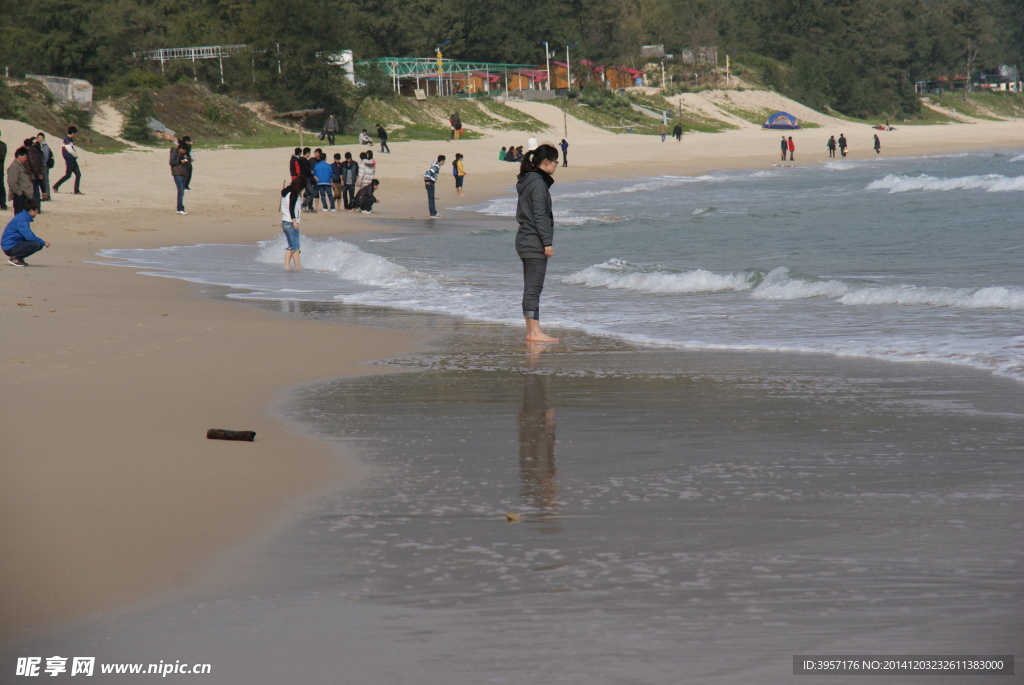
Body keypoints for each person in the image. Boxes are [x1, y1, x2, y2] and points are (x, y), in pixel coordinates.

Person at [515, 143, 560, 342]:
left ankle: (532, 331)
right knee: (534, 288)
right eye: (555, 161)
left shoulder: (528, 181)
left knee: (531, 287)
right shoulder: (538, 184)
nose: (557, 165)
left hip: (525, 239)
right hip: (534, 241)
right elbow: (540, 215)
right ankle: (534, 332)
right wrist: (547, 242)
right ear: (546, 162)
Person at [2, 198, 48, 266]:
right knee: (36, 244)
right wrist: (44, 242)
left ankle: (18, 257)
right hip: (9, 247)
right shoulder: (22, 220)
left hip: (13, 244)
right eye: (36, 211)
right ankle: (15, 258)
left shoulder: (23, 217)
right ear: (32, 211)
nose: (37, 213)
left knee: (38, 244)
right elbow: (29, 237)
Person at [280, 176, 304, 270]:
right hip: (290, 222)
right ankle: (297, 267)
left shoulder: (286, 192)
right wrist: (295, 222)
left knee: (291, 246)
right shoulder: (293, 193)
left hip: (285, 221)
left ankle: (287, 266)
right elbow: (291, 208)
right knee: (295, 247)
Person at [52, 126, 82, 194]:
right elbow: (70, 150)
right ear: (73, 133)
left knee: (78, 174)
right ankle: (55, 186)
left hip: (72, 160)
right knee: (68, 175)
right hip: (70, 160)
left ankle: (76, 190)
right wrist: (76, 155)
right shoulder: (67, 140)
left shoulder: (69, 140)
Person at [7, 147, 34, 215]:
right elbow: (12, 182)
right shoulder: (14, 166)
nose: (26, 159)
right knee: (19, 216)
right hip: (19, 196)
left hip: (24, 195)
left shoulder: (20, 165)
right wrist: (20, 193)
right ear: (20, 155)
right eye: (25, 157)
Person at [170, 142, 189, 215]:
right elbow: (171, 162)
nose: (184, 152)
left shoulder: (182, 154)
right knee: (180, 191)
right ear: (180, 148)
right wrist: (180, 161)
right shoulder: (174, 153)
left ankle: (181, 207)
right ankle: (179, 208)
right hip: (177, 174)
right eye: (183, 150)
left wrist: (186, 158)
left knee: (182, 192)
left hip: (183, 173)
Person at [36, 133, 53, 201]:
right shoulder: (39, 146)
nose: (40, 139)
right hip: (42, 166)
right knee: (43, 181)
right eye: (38, 137)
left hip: (44, 166)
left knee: (45, 181)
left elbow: (45, 157)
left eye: (41, 137)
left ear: (43, 138)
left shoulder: (45, 146)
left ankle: (47, 196)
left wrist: (42, 165)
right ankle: (45, 196)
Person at [0, 130, 7, 210]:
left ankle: (2, 203)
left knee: (1, 186)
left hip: (0, 169)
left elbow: (1, 157)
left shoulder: (2, 145)